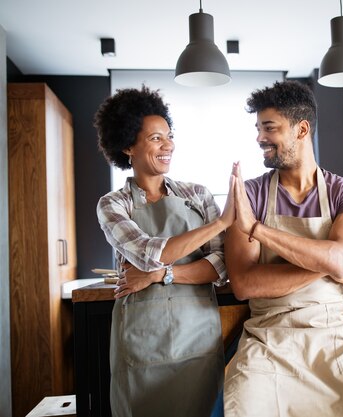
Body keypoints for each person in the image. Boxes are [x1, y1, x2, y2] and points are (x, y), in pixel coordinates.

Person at [223, 80, 343, 417]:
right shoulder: (248, 193)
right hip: (269, 337)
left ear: (302, 129)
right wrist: (330, 264)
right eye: (258, 128)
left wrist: (256, 229)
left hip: (339, 336)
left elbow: (340, 257)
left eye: (269, 128)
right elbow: (245, 284)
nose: (259, 138)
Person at [94, 86, 234, 417]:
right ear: (128, 145)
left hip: (197, 337)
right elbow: (148, 253)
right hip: (143, 341)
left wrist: (161, 275)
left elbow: (220, 264)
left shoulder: (197, 195)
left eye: (169, 136)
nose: (168, 145)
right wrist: (219, 224)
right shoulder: (114, 205)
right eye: (156, 138)